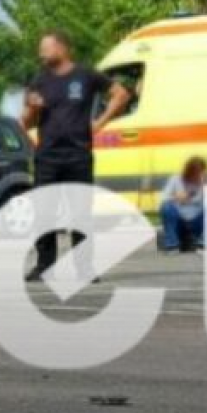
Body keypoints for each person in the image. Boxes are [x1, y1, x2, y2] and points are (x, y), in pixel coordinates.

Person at [21, 30, 130, 282]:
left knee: (81, 214)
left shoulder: (86, 75)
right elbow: (25, 122)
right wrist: (31, 108)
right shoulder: (39, 80)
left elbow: (121, 94)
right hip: (47, 157)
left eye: (45, 48)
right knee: (44, 213)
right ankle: (44, 266)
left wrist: (100, 122)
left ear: (62, 48)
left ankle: (84, 268)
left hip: (78, 155)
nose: (41, 53)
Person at [160, 156, 207, 253]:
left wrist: (205, 188)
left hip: (196, 221)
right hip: (179, 221)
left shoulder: (204, 183)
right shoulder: (175, 179)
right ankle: (172, 245)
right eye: (195, 173)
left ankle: (203, 243)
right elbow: (163, 198)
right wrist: (176, 197)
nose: (197, 176)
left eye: (200, 173)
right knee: (166, 206)